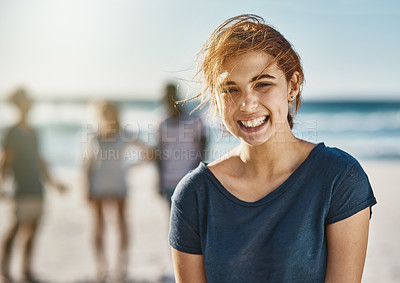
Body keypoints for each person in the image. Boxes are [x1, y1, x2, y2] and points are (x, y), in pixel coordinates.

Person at [168, 14, 377, 282]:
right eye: (230, 89)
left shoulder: (340, 179)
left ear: (292, 85)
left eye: (263, 84)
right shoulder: (194, 195)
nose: (247, 104)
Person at [0, 88, 65, 282]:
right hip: (20, 187)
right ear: (18, 104)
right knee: (16, 228)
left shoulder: (34, 131)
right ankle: (4, 270)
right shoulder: (12, 132)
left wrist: (54, 183)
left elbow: (40, 160)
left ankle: (26, 270)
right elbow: (6, 160)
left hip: (37, 186)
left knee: (33, 230)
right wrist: (1, 184)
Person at [83, 101, 151, 281]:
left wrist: (129, 167)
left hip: (119, 186)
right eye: (104, 112)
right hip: (97, 186)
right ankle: (101, 266)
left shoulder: (124, 135)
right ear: (99, 114)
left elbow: (149, 153)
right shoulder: (93, 135)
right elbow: (87, 163)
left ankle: (121, 266)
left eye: (110, 112)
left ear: (116, 114)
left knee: (122, 226)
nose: (107, 115)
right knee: (98, 227)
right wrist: (85, 187)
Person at [157, 83, 206, 207]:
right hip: (168, 180)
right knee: (172, 219)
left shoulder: (194, 119)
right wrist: (159, 181)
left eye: (171, 96)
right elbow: (159, 153)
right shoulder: (162, 122)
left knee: (194, 221)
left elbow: (204, 145)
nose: (168, 100)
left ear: (177, 96)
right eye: (166, 97)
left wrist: (199, 173)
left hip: (189, 179)